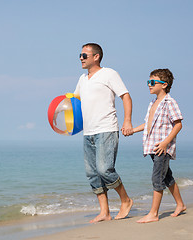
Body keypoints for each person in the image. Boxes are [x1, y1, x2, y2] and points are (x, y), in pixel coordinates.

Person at [73, 43, 133, 223]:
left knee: (104, 169)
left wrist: (127, 121)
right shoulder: (82, 79)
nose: (81, 58)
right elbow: (74, 100)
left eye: (84, 55)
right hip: (88, 132)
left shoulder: (109, 74)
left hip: (106, 128)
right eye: (80, 55)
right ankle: (104, 212)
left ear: (96, 56)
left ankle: (126, 200)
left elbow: (125, 96)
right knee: (92, 174)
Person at [132, 68, 186, 223]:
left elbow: (178, 125)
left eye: (152, 82)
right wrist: (133, 130)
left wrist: (165, 143)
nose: (149, 85)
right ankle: (180, 204)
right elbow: (148, 124)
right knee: (167, 177)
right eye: (148, 82)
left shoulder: (170, 102)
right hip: (152, 146)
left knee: (157, 178)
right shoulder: (153, 103)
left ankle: (153, 214)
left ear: (164, 84)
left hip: (162, 147)